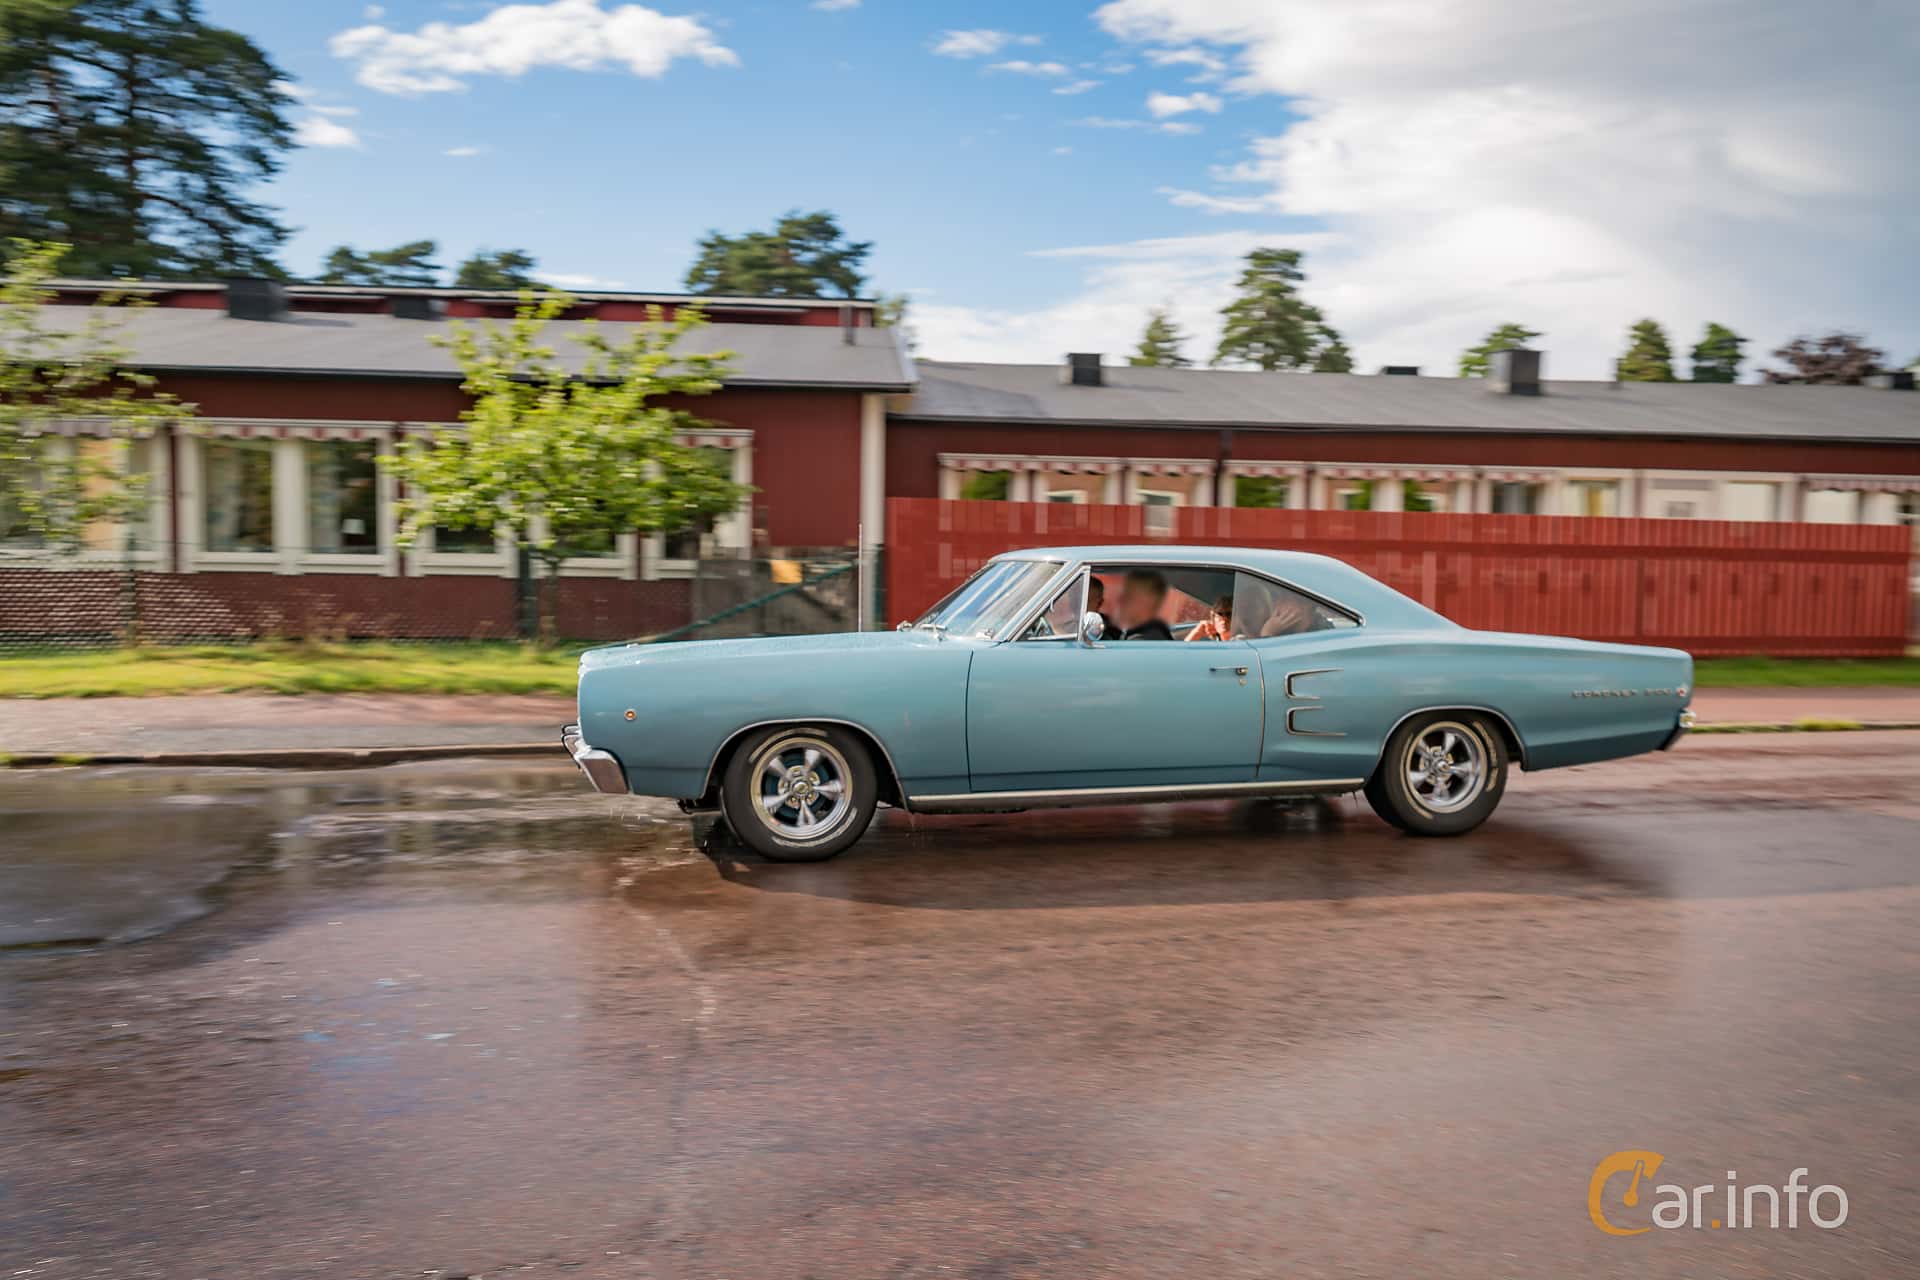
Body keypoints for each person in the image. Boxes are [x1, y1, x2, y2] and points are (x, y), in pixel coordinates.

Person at [1112, 569, 1174, 641]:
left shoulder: (1148, 639)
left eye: (1130, 595)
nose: (1121, 600)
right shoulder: (1144, 633)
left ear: (1150, 600)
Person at [1086, 576, 1118, 640]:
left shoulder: (1109, 628)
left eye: (1087, 600)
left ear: (1099, 603)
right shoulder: (1070, 625)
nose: (1076, 603)